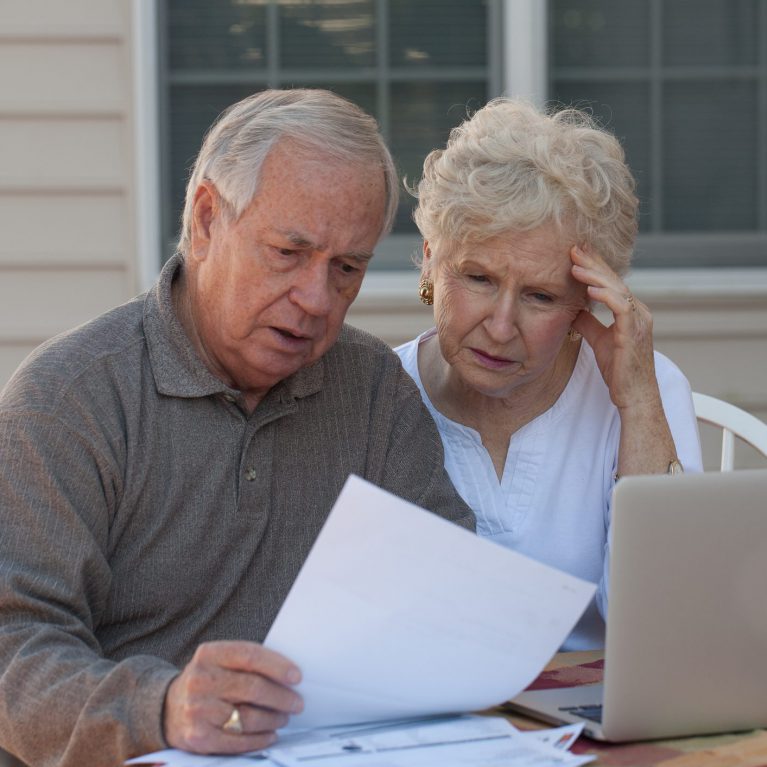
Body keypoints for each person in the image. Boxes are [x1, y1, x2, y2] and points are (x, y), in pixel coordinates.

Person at [0, 89, 473, 767]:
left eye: (346, 269)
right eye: (287, 251)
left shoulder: (372, 392)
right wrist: (161, 708)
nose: (316, 299)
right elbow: (14, 652)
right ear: (204, 222)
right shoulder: (67, 402)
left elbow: (447, 592)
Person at [396, 98, 703, 651]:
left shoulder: (646, 390)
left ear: (586, 304)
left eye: (541, 296)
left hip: (597, 715)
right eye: (479, 278)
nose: (501, 325)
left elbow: (671, 619)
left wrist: (637, 404)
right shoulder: (377, 393)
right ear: (428, 261)